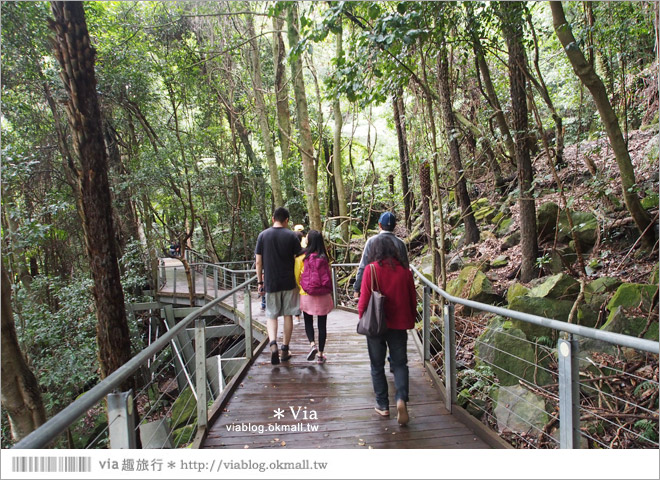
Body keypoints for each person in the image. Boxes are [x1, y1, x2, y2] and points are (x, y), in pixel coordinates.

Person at [357, 234, 417, 426]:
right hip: (399, 325)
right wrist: (411, 319)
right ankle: (401, 398)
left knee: (377, 365)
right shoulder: (406, 272)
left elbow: (364, 300)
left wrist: (362, 317)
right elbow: (412, 299)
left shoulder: (371, 269)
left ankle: (383, 405)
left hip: (376, 324)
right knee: (400, 364)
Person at [255, 207, 303, 365]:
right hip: (289, 282)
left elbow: (258, 261)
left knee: (271, 315)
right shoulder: (291, 236)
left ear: (272, 218)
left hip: (271, 282)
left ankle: (273, 343)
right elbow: (299, 258)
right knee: (288, 314)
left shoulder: (263, 235)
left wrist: (260, 282)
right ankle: (285, 349)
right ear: (287, 220)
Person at [294, 230, 334, 364]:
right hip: (323, 294)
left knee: (308, 321)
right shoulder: (325, 256)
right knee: (322, 325)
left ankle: (312, 345)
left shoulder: (302, 257)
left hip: (307, 293)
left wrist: (300, 289)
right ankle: (321, 355)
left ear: (309, 241)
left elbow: (297, 277)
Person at [354, 212, 408, 297]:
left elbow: (363, 266)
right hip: (396, 289)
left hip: (375, 288)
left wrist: (357, 288)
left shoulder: (371, 241)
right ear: (395, 226)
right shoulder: (400, 243)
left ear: (379, 224)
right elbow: (405, 267)